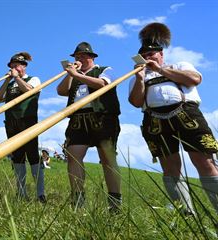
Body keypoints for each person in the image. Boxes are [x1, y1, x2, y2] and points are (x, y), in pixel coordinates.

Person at [128, 23, 218, 216]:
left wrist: (160, 70)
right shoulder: (137, 76)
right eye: (144, 55)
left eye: (152, 54)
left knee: (205, 161)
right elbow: (135, 102)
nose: (148, 57)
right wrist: (139, 78)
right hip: (154, 120)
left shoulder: (179, 65)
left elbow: (194, 79)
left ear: (161, 54)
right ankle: (186, 214)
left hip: (187, 115)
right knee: (169, 167)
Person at [56, 42, 122, 211]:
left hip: (102, 117)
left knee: (107, 158)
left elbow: (102, 84)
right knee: (73, 155)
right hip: (78, 118)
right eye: (77, 57)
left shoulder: (106, 70)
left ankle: (114, 202)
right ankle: (78, 200)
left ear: (92, 58)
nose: (79, 59)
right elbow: (61, 91)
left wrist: (77, 75)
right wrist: (70, 74)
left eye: (83, 56)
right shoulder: (74, 74)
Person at [0, 52, 46, 202]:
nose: (14, 68)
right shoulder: (10, 83)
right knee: (17, 157)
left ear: (23, 66)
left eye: (17, 65)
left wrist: (16, 78)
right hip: (11, 122)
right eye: (12, 66)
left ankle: (40, 194)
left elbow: (30, 90)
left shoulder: (33, 79)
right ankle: (21, 192)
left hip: (27, 121)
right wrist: (6, 81)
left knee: (33, 156)